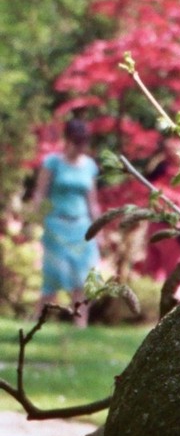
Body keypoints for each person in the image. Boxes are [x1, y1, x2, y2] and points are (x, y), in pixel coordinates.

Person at [32, 115, 100, 324]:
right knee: (53, 277)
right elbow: (40, 194)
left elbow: (92, 201)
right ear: (68, 140)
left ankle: (80, 325)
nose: (80, 147)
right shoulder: (52, 163)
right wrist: (35, 221)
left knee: (82, 277)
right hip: (56, 225)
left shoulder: (89, 166)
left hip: (81, 227)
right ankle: (36, 323)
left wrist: (99, 230)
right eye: (77, 142)